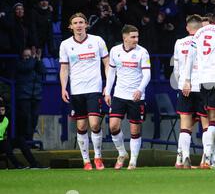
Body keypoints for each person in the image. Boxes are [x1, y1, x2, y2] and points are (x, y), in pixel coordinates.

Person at [182, 8, 215, 168]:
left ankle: (208, 158)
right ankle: (208, 158)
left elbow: (190, 57)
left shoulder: (199, 32)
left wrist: (188, 79)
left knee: (209, 120)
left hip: (202, 81)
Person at [59, 13, 109, 170]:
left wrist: (107, 85)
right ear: (70, 26)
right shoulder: (65, 44)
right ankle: (86, 161)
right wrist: (63, 88)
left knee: (94, 124)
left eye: (81, 22)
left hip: (94, 88)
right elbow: (64, 68)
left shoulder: (97, 41)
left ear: (86, 24)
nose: (79, 25)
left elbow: (107, 63)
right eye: (75, 23)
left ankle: (98, 158)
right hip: (76, 90)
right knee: (81, 127)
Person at [105, 24, 151, 170]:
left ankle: (133, 161)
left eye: (137, 36)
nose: (136, 39)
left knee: (135, 130)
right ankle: (122, 152)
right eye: (133, 37)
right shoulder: (114, 51)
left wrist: (140, 89)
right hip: (119, 94)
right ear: (124, 37)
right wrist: (107, 91)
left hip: (136, 96)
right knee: (113, 126)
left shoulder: (142, 52)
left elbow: (147, 74)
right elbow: (111, 72)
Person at [173, 15, 209, 169]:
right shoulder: (204, 42)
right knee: (207, 125)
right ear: (201, 27)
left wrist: (181, 83)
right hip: (202, 86)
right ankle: (205, 160)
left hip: (185, 87)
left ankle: (183, 158)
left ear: (187, 28)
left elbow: (176, 68)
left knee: (185, 126)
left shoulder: (179, 42)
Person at [15, 48, 46, 154]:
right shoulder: (20, 64)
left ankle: (30, 140)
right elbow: (27, 67)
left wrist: (38, 59)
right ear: (22, 56)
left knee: (34, 119)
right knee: (25, 119)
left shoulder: (34, 63)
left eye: (30, 55)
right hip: (24, 95)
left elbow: (43, 71)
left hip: (36, 95)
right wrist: (33, 59)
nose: (28, 58)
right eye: (26, 56)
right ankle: (24, 141)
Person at [0, 100, 31, 169]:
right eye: (0, 110)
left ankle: (34, 163)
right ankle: (17, 165)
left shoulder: (6, 120)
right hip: (2, 143)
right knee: (5, 144)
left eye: (2, 110)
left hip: (3, 142)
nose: (1, 111)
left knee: (20, 140)